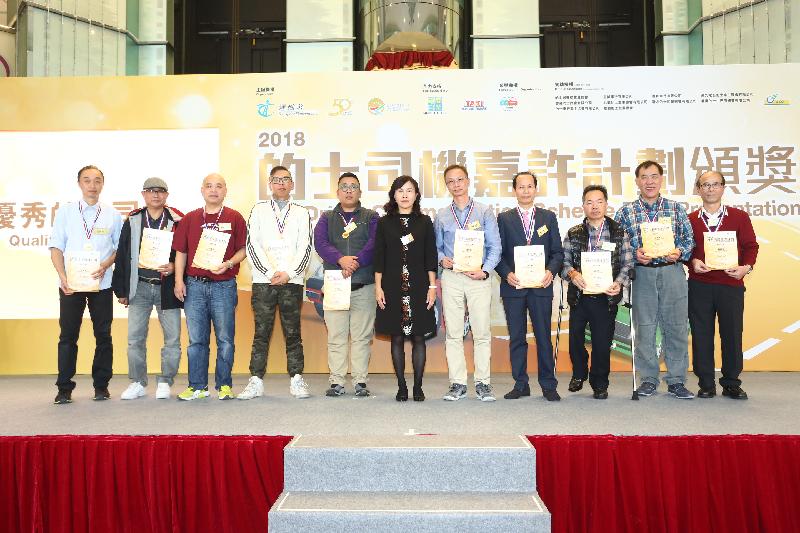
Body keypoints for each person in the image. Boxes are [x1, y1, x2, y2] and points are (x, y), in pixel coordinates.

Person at [614, 160, 695, 399]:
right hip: (643, 275)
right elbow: (619, 244)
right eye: (644, 177)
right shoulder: (626, 211)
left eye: (654, 176)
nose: (649, 182)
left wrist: (679, 252)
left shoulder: (676, 208)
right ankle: (648, 379)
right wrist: (635, 253)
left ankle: (677, 380)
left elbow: (689, 240)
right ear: (637, 181)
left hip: (672, 272)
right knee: (645, 329)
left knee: (677, 328)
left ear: (661, 179)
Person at [49, 164, 123, 404]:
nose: (93, 185)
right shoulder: (66, 212)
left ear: (103, 184)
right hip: (71, 284)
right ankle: (64, 388)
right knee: (68, 336)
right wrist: (62, 276)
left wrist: (105, 265)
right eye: (87, 180)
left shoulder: (113, 214)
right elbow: (56, 247)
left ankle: (101, 386)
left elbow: (118, 249)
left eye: (97, 180)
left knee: (103, 335)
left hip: (102, 283)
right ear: (79, 184)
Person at [238, 166, 312, 400]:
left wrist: (289, 273)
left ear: (292, 185)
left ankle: (297, 379)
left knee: (293, 332)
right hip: (264, 281)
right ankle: (256, 380)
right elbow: (252, 245)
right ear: (270, 184)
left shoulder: (301, 212)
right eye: (277, 180)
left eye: (286, 180)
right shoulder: (259, 210)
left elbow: (305, 247)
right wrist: (270, 272)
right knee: (261, 332)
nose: (281, 184)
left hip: (292, 281)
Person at [172, 173, 247, 401]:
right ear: (202, 190)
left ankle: (224, 385)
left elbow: (243, 250)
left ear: (225, 191)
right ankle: (197, 387)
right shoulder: (190, 219)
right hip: (194, 286)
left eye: (219, 186)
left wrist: (229, 263)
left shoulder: (235, 218)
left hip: (224, 286)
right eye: (209, 186)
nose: (214, 190)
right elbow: (180, 252)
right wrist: (178, 281)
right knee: (196, 340)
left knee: (225, 338)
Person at [688, 170, 758, 400]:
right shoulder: (690, 220)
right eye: (705, 185)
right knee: (701, 335)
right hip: (699, 286)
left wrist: (745, 268)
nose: (710, 189)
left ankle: (731, 383)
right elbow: (684, 249)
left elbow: (751, 246)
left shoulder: (739, 217)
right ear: (698, 189)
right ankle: (706, 383)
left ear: (723, 188)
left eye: (715, 184)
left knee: (732, 334)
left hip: (730, 285)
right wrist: (692, 261)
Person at [434, 164, 501, 402]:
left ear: (468, 181)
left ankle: (483, 383)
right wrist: (444, 260)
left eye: (459, 180)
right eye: (450, 181)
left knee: (481, 332)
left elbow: (495, 247)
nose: (456, 185)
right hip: (452, 278)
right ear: (447, 185)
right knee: (453, 333)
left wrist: (484, 271)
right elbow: (437, 248)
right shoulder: (442, 215)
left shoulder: (484, 212)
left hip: (478, 278)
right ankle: (458, 383)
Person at [112, 177, 184, 400]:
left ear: (167, 195)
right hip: (140, 287)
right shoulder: (133, 220)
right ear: (143, 194)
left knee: (172, 339)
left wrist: (174, 266)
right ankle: (137, 382)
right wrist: (121, 290)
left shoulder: (178, 220)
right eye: (151, 191)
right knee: (135, 339)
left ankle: (165, 381)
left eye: (161, 191)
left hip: (167, 288)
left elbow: (186, 252)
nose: (156, 195)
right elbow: (122, 255)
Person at [495, 171, 564, 402]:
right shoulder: (504, 219)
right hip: (513, 287)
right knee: (517, 337)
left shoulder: (548, 217)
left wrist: (550, 272)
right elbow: (498, 253)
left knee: (543, 336)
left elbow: (557, 252)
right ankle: (520, 383)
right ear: (514, 191)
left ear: (536, 189)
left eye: (529, 186)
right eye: (520, 187)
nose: (525, 191)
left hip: (540, 286)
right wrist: (506, 274)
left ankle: (548, 385)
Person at [561, 184, 634, 399]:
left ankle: (600, 383)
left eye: (599, 201)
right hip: (580, 297)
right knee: (575, 340)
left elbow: (628, 264)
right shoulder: (574, 232)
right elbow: (564, 264)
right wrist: (573, 274)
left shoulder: (619, 231)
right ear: (583, 206)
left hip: (607, 297)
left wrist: (619, 283)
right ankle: (579, 373)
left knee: (602, 343)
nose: (594, 206)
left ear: (606, 204)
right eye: (589, 202)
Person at [314, 172, 379, 397]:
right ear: (338, 192)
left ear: (360, 192)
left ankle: (360, 381)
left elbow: (374, 243)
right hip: (335, 284)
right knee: (336, 336)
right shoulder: (327, 217)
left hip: (364, 283)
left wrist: (356, 261)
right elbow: (320, 243)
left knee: (362, 337)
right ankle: (337, 382)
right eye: (344, 186)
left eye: (353, 186)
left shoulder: (371, 216)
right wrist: (341, 259)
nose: (349, 190)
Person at [374, 176, 438, 402]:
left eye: (409, 190)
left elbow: (431, 256)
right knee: (397, 339)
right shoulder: (384, 223)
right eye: (400, 190)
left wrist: (432, 286)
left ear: (416, 195)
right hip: (392, 286)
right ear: (393, 195)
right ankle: (402, 386)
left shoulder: (424, 222)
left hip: (419, 286)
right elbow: (379, 257)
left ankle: (418, 387)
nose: (404, 195)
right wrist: (378, 288)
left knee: (419, 337)